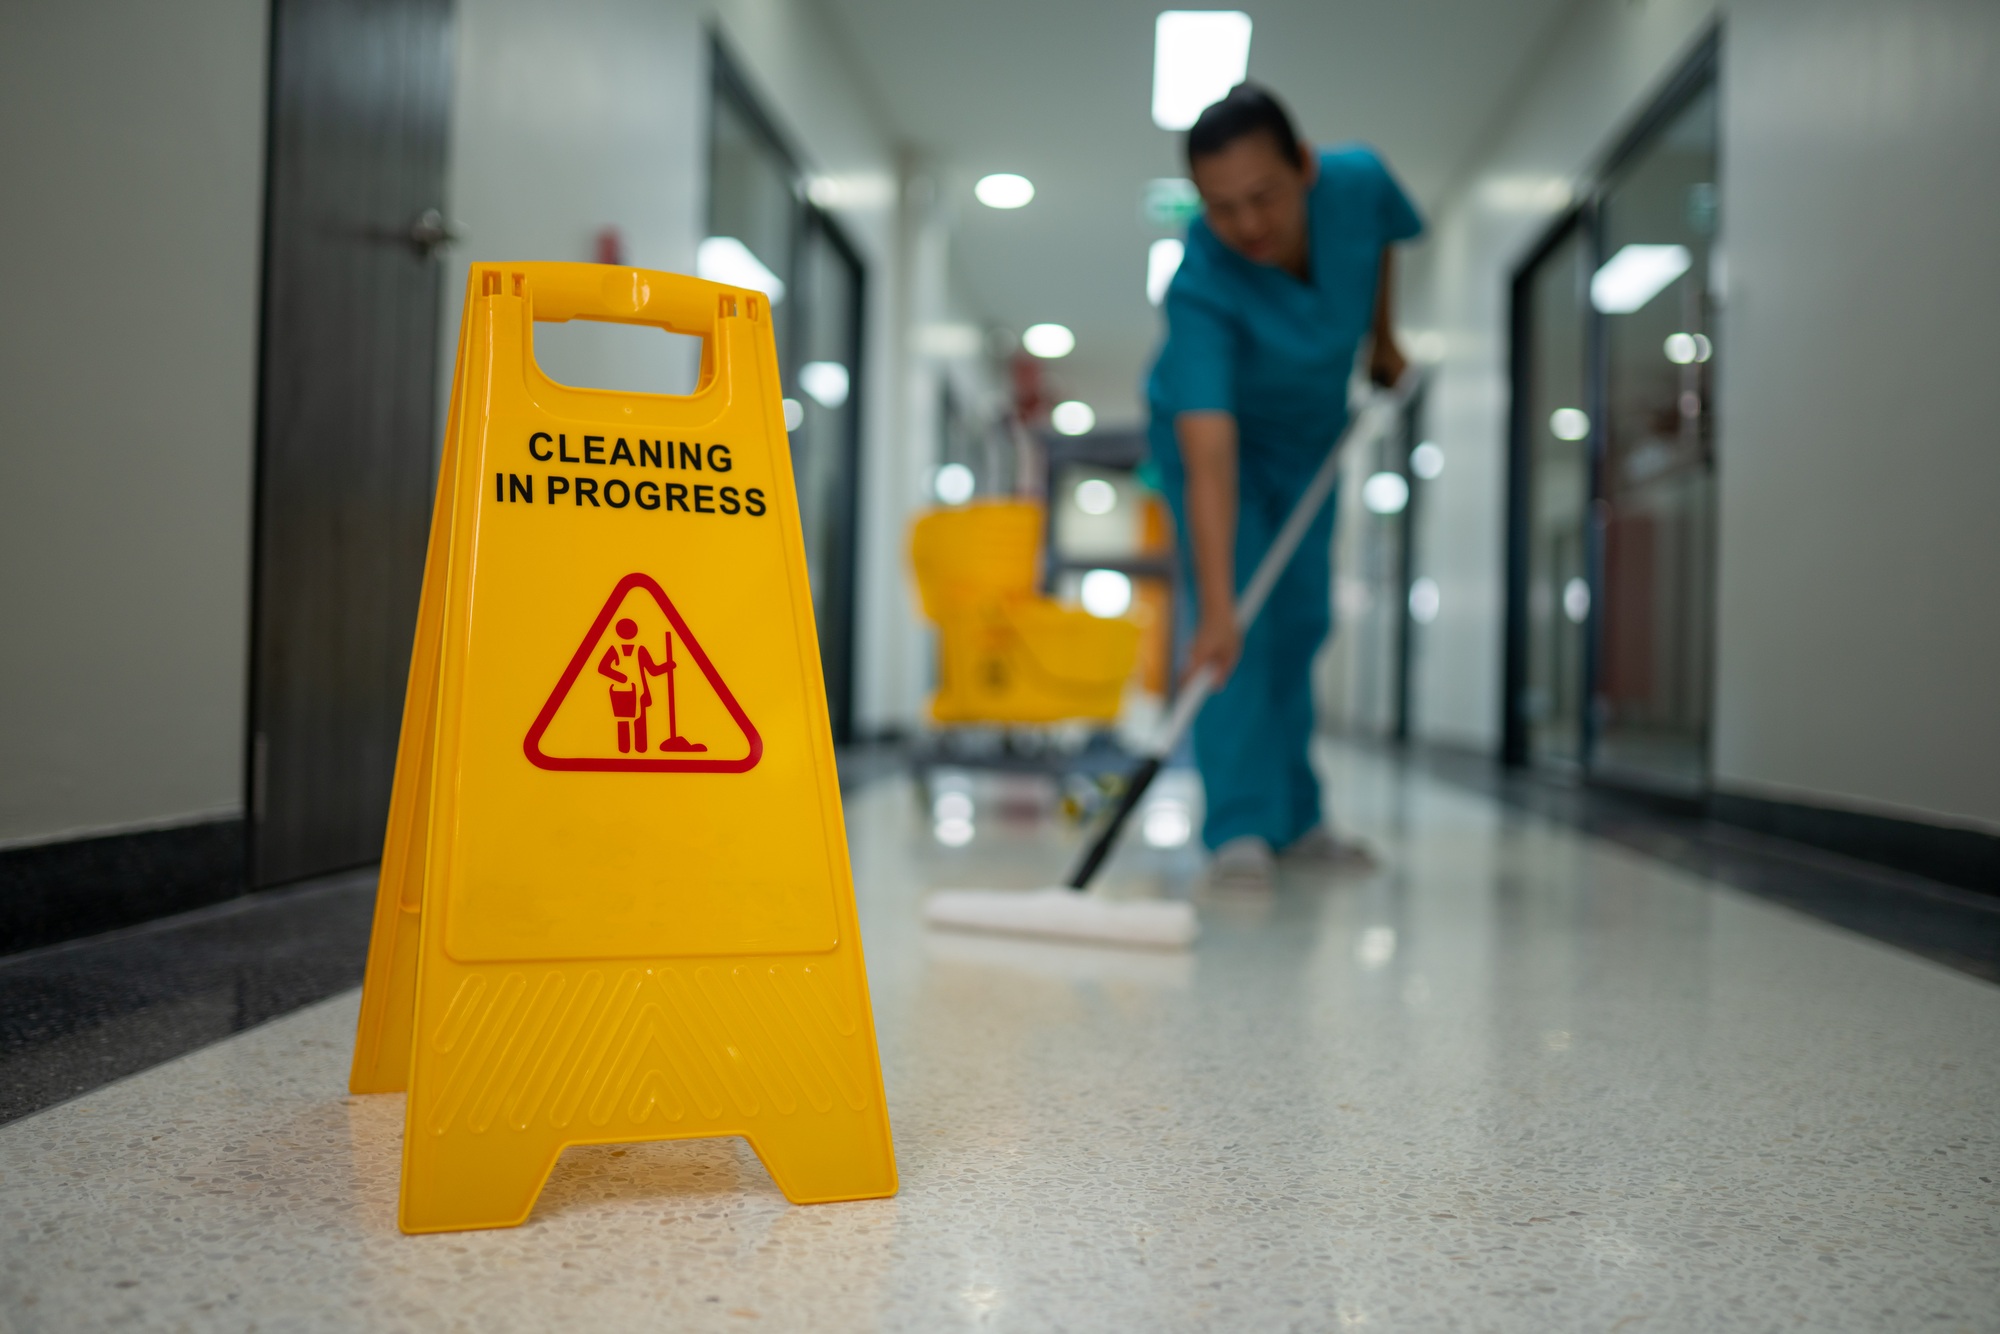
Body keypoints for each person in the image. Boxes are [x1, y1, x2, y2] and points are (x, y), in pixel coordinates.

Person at [1145, 83, 1422, 885]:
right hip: (1219, 443)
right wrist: (1218, 606)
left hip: (1310, 441)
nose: (1248, 226)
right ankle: (1237, 829)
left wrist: (1383, 336)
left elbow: (1383, 241)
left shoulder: (1359, 182)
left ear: (1303, 166)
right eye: (1221, 208)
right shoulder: (1200, 283)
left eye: (1263, 196)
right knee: (1237, 638)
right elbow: (1208, 451)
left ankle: (1298, 821)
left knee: (1300, 622)